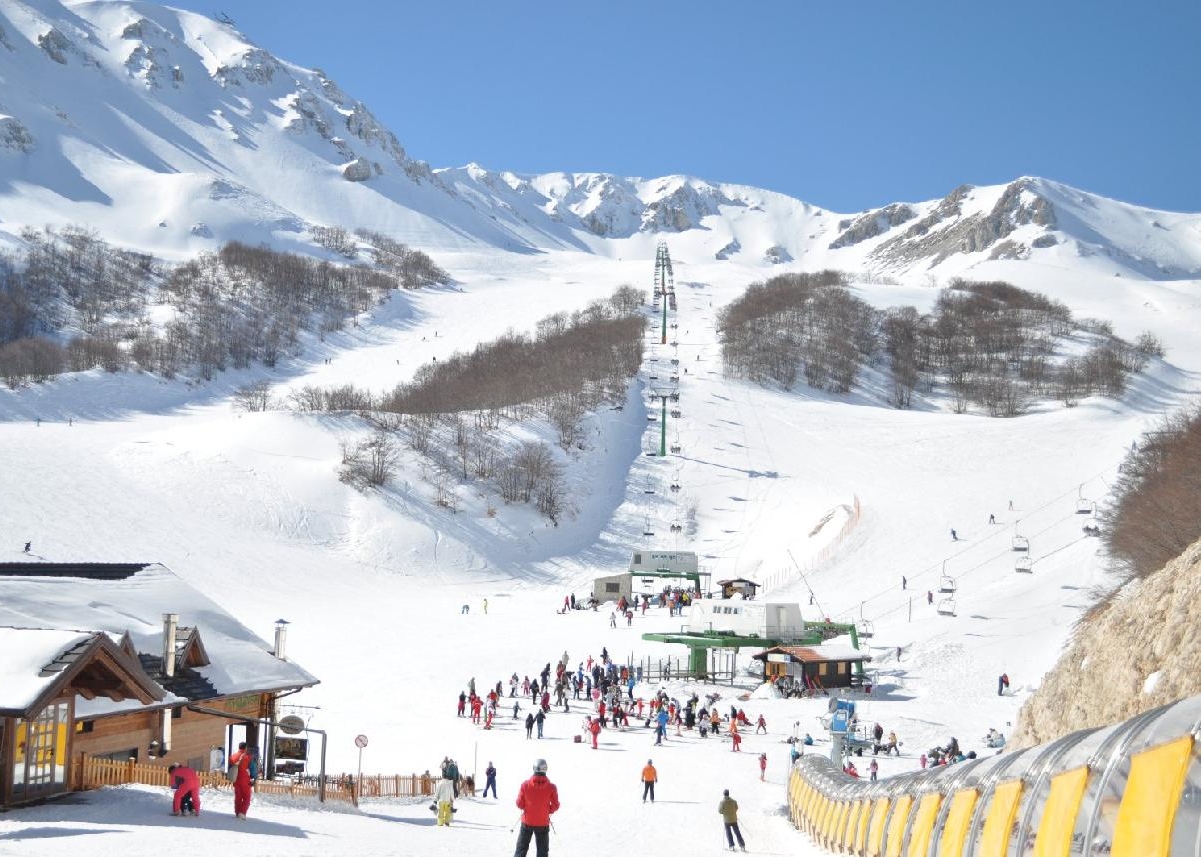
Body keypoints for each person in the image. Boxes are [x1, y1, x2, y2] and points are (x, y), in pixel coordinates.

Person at [514, 758, 559, 857]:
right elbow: (556, 805)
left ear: (534, 768)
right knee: (542, 852)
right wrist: (547, 810)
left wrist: (527, 807)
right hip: (542, 822)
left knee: (521, 849)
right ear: (545, 769)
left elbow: (519, 803)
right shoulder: (552, 787)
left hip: (527, 822)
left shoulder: (525, 785)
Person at [228, 741, 255, 819]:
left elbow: (230, 768)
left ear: (239, 748)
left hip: (235, 779)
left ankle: (237, 812)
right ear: (246, 748)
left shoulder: (233, 757)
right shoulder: (248, 757)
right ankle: (242, 813)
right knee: (247, 797)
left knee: (238, 797)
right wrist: (253, 778)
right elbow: (252, 769)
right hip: (245, 779)